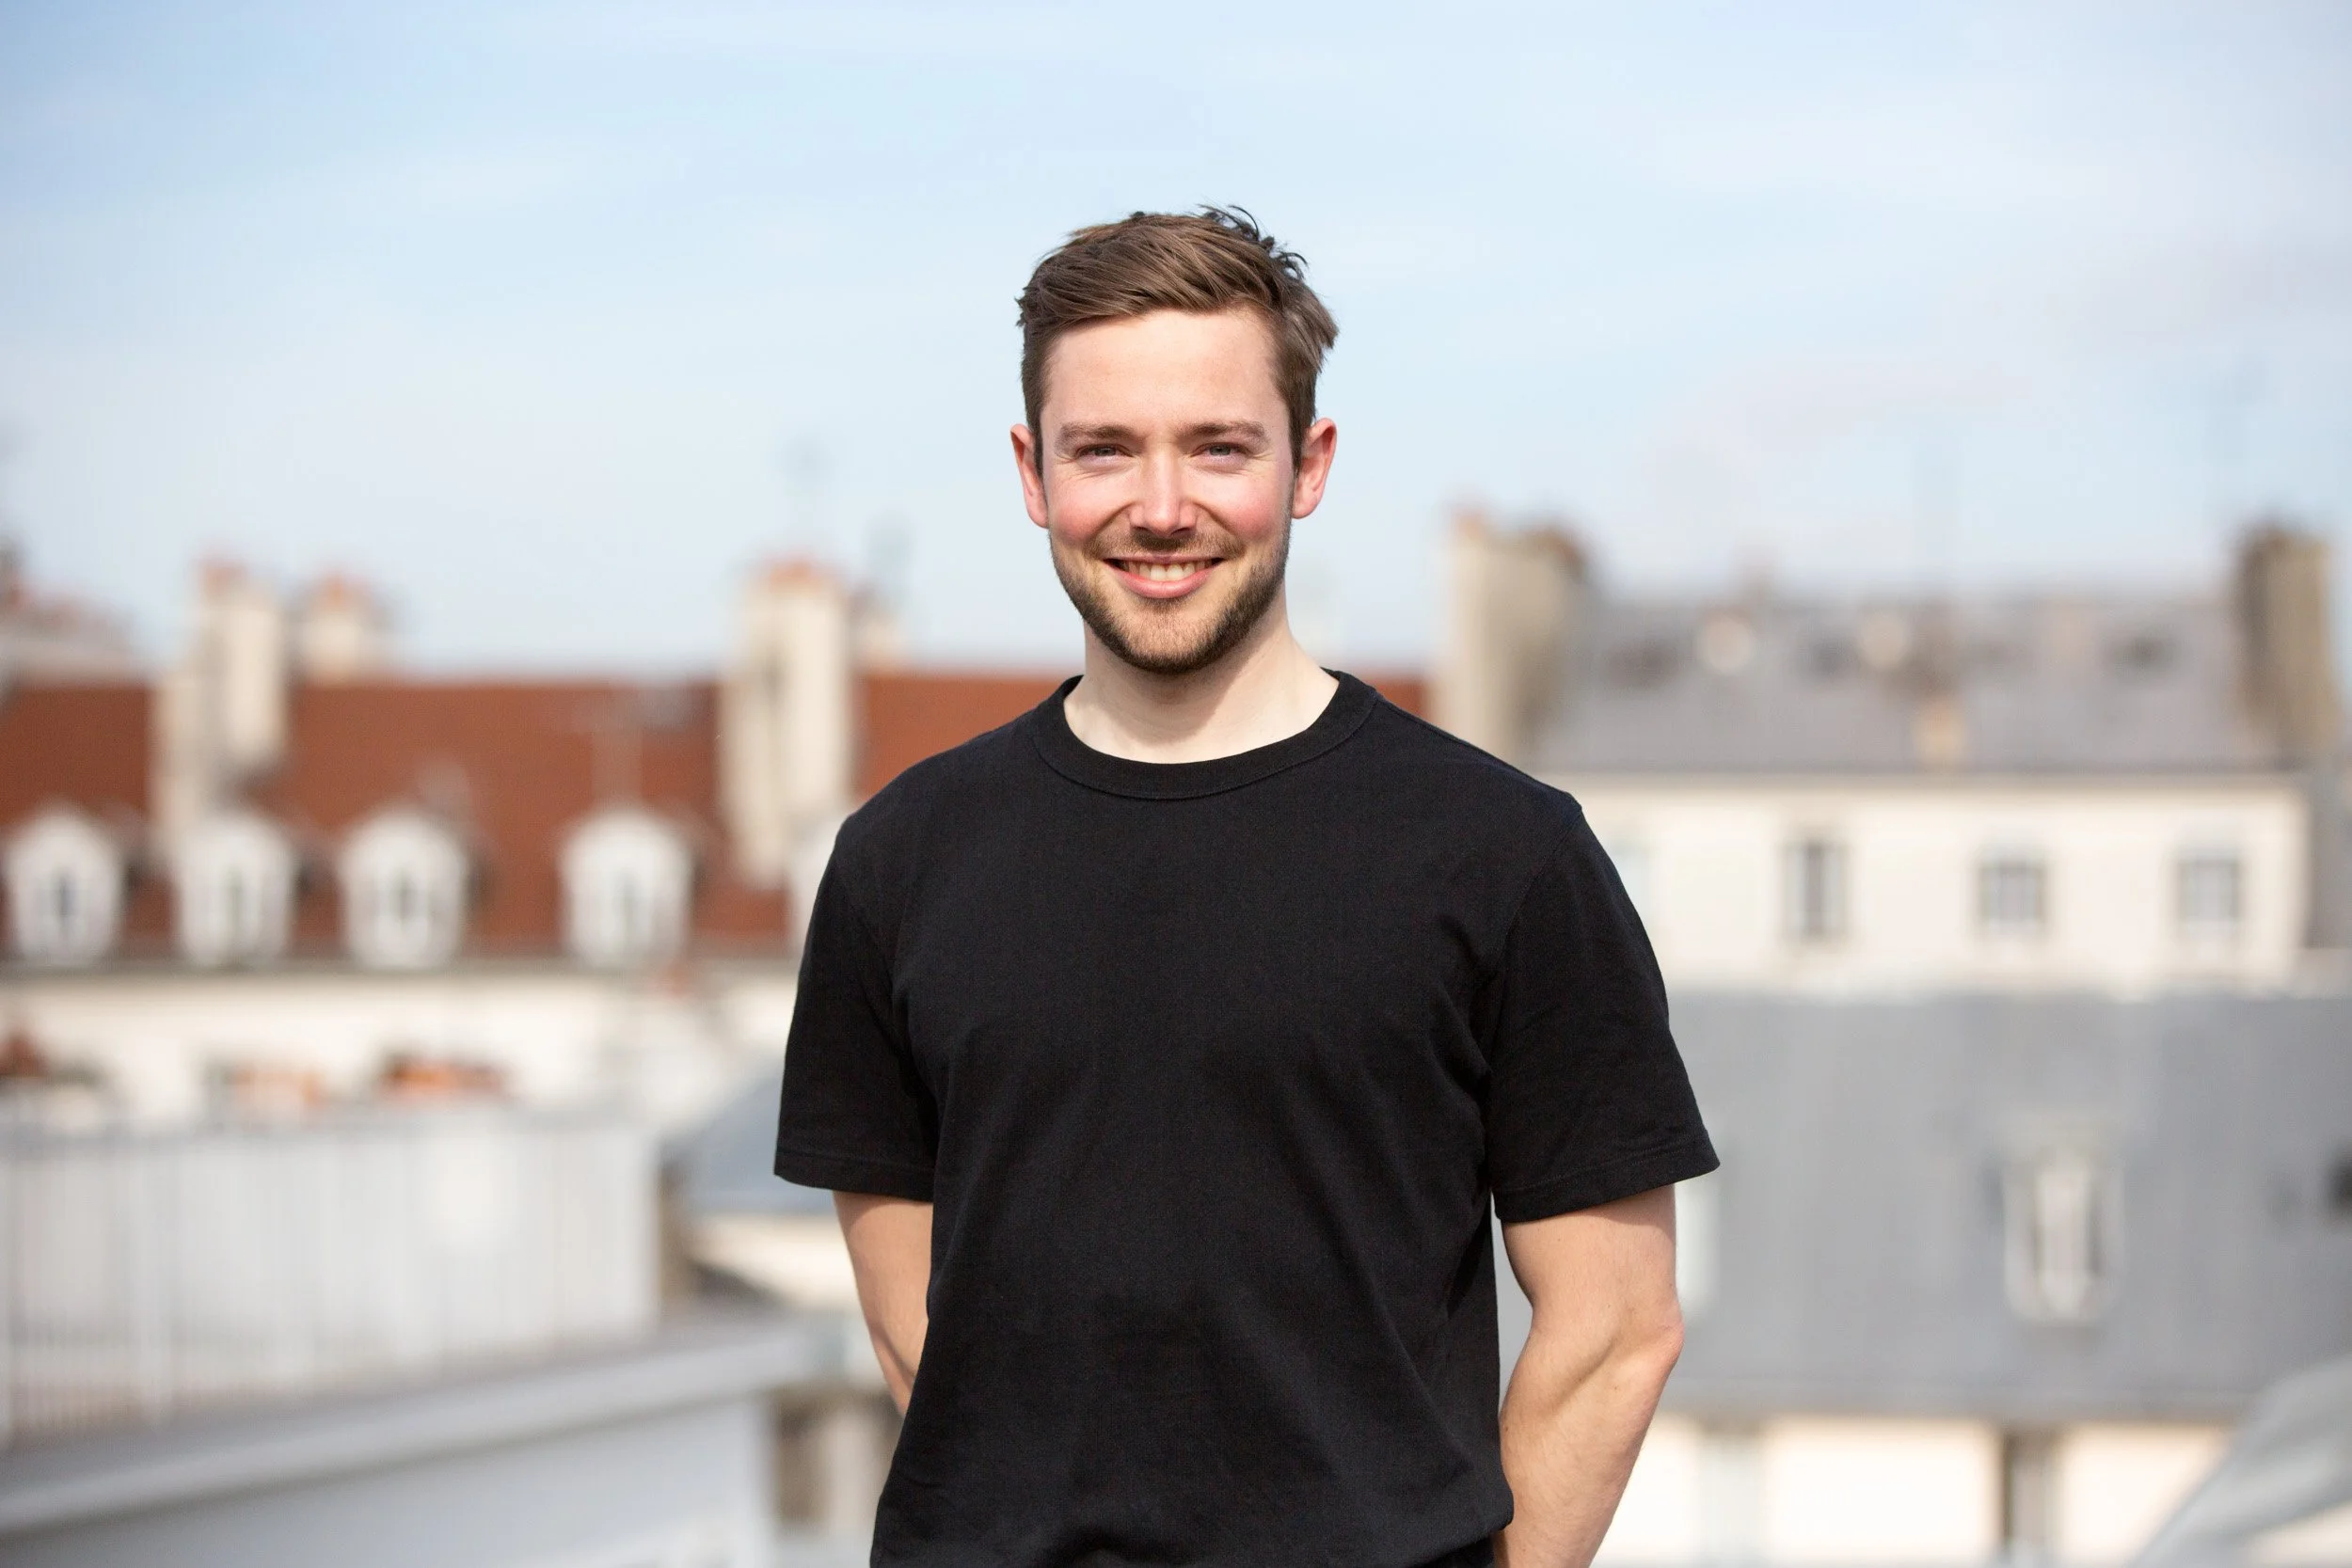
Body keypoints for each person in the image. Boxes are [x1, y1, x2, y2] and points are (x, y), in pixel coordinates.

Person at [775, 207, 1716, 1568]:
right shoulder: (901, 859)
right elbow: (916, 1317)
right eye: (1107, 450)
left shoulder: (1503, 852)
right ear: (1035, 472)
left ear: (1308, 461)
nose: (1163, 508)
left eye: (1219, 446)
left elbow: (1619, 1327)